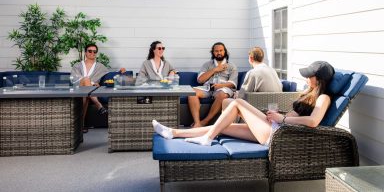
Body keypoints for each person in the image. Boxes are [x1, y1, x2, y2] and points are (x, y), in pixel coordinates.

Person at [153, 61, 335, 146]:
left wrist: (282, 119)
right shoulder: (309, 93)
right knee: (223, 126)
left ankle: (206, 139)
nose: (307, 78)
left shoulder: (323, 98)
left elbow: (312, 122)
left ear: (318, 79)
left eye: (310, 75)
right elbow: (300, 116)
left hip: (280, 134)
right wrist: (280, 115)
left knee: (237, 102)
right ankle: (173, 132)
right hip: (276, 126)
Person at [71, 43, 125, 133]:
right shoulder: (77, 65)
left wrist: (120, 71)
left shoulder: (100, 66)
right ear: (85, 52)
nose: (92, 53)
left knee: (86, 96)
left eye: (94, 51)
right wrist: (90, 82)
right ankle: (98, 105)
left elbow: (110, 74)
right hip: (78, 88)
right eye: (90, 51)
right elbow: (74, 78)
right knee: (86, 80)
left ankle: (81, 126)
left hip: (89, 92)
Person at [188, 42, 238, 127]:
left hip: (222, 89)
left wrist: (220, 86)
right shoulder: (207, 64)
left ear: (225, 51)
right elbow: (200, 80)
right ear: (213, 52)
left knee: (222, 95)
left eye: (221, 50)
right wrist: (215, 69)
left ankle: (205, 121)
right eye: (216, 51)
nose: (219, 53)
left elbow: (233, 84)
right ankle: (197, 122)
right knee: (192, 93)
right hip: (208, 88)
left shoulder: (231, 66)